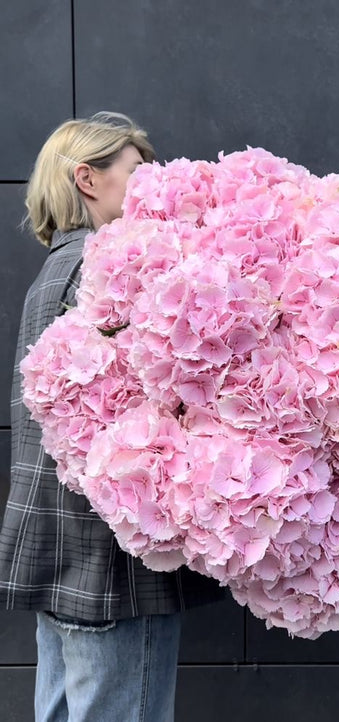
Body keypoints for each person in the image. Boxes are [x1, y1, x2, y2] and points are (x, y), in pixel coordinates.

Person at [0, 112, 223, 722]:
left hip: (67, 558)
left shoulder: (56, 271)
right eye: (137, 170)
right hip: (112, 567)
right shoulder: (105, 272)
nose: (154, 183)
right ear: (88, 179)